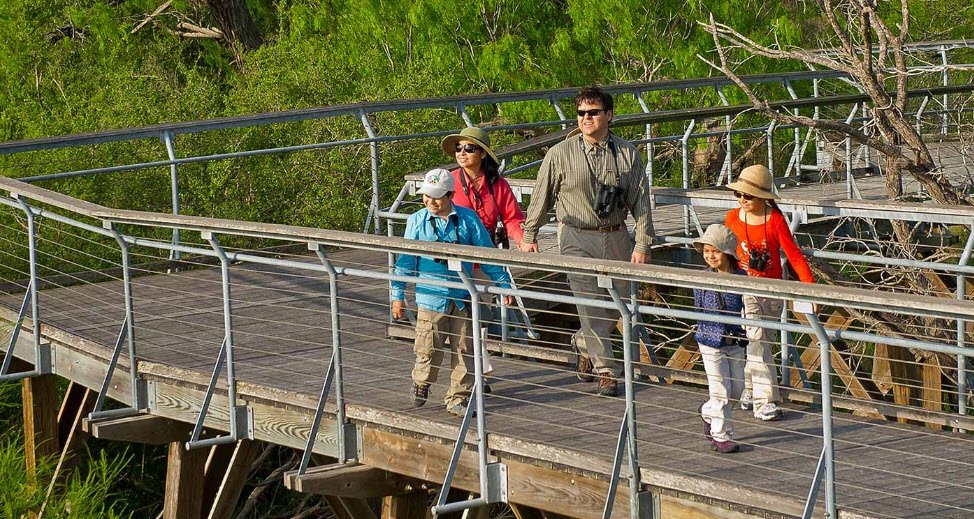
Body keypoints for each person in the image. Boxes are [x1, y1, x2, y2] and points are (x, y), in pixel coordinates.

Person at [520, 86, 655, 397]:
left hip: (616, 234)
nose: (586, 118)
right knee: (590, 303)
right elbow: (541, 196)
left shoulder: (626, 152)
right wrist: (530, 235)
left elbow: (642, 202)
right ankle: (608, 371)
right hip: (576, 236)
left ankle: (581, 342)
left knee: (617, 305)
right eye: (581, 113)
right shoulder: (560, 153)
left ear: (608, 115)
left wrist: (643, 243)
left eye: (593, 112)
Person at [391, 169, 514, 416]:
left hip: (463, 297)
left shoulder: (468, 220)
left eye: (436, 197)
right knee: (428, 348)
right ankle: (422, 381)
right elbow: (405, 261)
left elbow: (486, 254)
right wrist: (398, 295)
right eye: (426, 196)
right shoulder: (416, 220)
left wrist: (503, 283)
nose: (430, 202)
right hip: (430, 296)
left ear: (450, 195)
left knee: (465, 349)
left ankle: (458, 398)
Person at [724, 164, 815, 422]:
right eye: (739, 194)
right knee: (756, 339)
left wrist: (809, 291)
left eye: (748, 195)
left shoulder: (775, 221)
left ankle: (750, 388)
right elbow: (725, 252)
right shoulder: (732, 218)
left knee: (761, 342)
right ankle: (765, 400)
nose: (742, 199)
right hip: (744, 288)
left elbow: (794, 257)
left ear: (763, 197)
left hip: (772, 290)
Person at [692, 224, 747, 454]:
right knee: (721, 392)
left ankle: (707, 412)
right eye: (706, 251)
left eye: (715, 251)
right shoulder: (702, 278)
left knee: (736, 390)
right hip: (710, 340)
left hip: (734, 340)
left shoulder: (742, 276)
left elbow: (750, 304)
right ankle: (721, 436)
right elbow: (698, 306)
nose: (710, 256)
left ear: (727, 253)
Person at [440, 126, 525, 250]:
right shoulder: (448, 181)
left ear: (483, 153)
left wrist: (523, 241)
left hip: (487, 252)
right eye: (458, 148)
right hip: (455, 253)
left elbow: (512, 219)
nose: (462, 153)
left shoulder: (498, 183)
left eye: (469, 148)